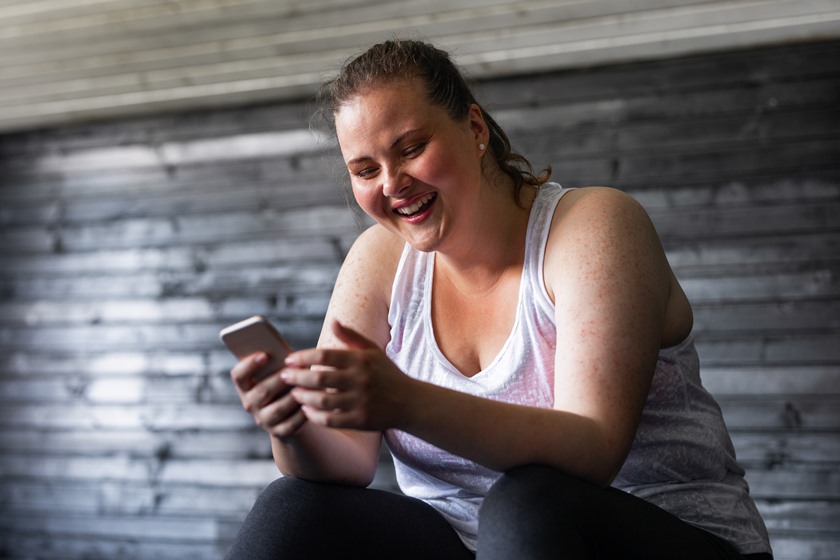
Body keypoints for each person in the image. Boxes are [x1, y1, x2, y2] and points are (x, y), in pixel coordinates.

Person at [225, 39, 773, 559]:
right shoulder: (380, 260)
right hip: (469, 542)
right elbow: (345, 461)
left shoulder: (592, 228)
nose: (392, 184)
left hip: (661, 533)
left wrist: (404, 400)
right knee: (290, 504)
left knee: (528, 501)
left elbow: (594, 450)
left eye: (412, 149)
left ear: (474, 127)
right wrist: (292, 424)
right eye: (365, 170)